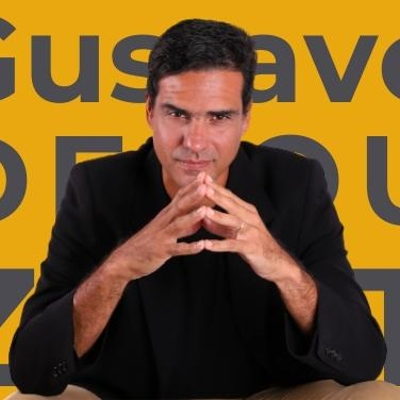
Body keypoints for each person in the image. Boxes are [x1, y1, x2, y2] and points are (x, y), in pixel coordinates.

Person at [7, 18, 400, 400]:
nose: (195, 143)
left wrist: (283, 268)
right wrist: (118, 268)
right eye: (177, 114)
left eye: (219, 117)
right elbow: (31, 370)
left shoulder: (296, 184)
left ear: (246, 118)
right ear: (150, 111)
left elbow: (363, 360)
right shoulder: (97, 188)